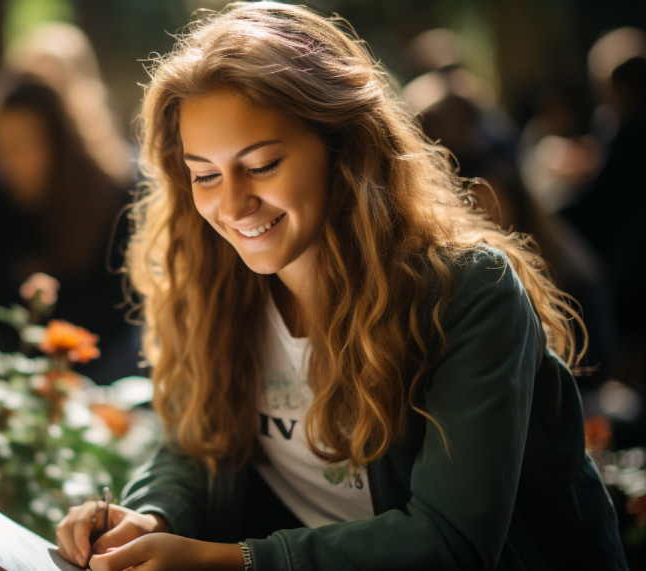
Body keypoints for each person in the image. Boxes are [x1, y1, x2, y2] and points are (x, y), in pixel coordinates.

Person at [54, 3, 626, 570]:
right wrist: (151, 518)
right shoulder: (214, 288)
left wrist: (228, 561)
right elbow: (198, 447)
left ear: (344, 146)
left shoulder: (471, 294)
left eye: (262, 165)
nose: (231, 205)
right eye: (205, 174)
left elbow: (452, 542)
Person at [0, 72, 140, 384]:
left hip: (100, 367)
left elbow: (125, 307)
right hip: (8, 369)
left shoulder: (116, 197)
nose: (4, 161)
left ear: (59, 143)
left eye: (18, 145)